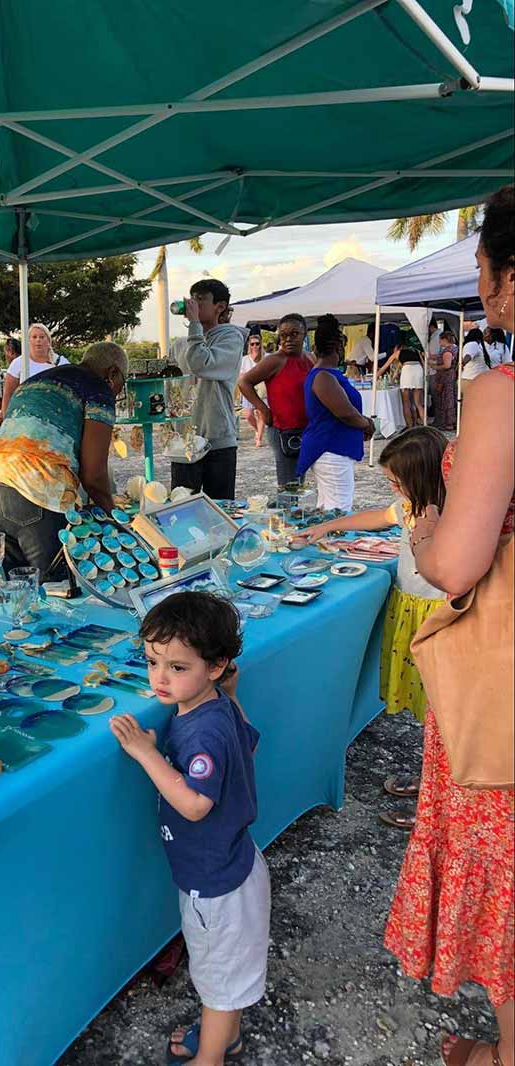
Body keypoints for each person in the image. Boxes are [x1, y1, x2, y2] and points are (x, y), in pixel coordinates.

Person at [385, 183, 514, 1066]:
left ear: (509, 277)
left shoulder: (502, 392)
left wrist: (427, 532)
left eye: (480, 265)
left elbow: (458, 564)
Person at [110, 592, 269, 1066]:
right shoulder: (216, 707)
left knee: (219, 976)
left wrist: (146, 753)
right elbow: (247, 745)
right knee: (228, 968)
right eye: (153, 661)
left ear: (216, 667)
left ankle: (212, 1058)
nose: (160, 678)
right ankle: (228, 1039)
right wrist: (234, 697)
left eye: (178, 668)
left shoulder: (203, 730)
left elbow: (196, 804)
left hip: (215, 881)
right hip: (233, 862)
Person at [297, 426, 448, 829]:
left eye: (395, 481)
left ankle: (437, 803)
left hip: (436, 617)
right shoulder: (412, 507)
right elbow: (378, 517)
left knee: (442, 713)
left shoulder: (445, 517)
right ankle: (431, 782)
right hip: (411, 610)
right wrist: (329, 527)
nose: (392, 488)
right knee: (428, 712)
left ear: (419, 476)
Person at [0, 341, 126, 579]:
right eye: (122, 386)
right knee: (58, 594)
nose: (118, 393)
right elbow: (94, 475)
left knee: (23, 599)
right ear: (113, 373)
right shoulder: (98, 389)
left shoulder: (36, 381)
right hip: (36, 494)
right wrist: (115, 520)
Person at [165, 279, 244, 500]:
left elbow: (202, 364)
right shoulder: (180, 344)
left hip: (218, 441)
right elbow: (171, 388)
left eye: (201, 299)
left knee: (219, 511)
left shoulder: (231, 338)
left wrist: (194, 326)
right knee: (180, 508)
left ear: (219, 307)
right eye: (193, 298)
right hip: (184, 443)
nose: (194, 304)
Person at [296, 315, 374, 510]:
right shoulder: (324, 376)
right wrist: (367, 424)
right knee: (338, 510)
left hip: (333, 448)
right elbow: (345, 412)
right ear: (339, 348)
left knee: (327, 508)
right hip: (331, 450)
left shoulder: (325, 374)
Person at [240, 312, 311, 488]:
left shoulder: (310, 359)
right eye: (283, 335)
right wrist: (263, 409)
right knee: (289, 488)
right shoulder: (275, 360)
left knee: (300, 484)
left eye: (294, 334)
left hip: (307, 429)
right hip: (283, 431)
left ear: (304, 335)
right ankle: (284, 514)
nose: (287, 339)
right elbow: (244, 382)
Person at [0, 323, 68, 430]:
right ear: (29, 341)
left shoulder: (61, 363)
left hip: (54, 421)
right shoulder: (18, 363)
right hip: (24, 421)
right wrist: (6, 420)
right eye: (34, 337)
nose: (38, 340)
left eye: (42, 337)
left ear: (48, 341)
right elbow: (8, 394)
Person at [379, 346, 427, 426]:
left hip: (407, 370)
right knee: (418, 403)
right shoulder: (416, 351)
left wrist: (375, 377)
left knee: (406, 403)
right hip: (418, 370)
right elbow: (424, 364)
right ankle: (426, 425)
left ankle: (410, 426)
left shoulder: (397, 353)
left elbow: (385, 366)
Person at [239, 330, 266, 447]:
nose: (255, 346)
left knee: (261, 414)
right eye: (252, 344)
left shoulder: (265, 358)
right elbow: (240, 375)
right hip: (248, 389)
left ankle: (259, 437)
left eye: (257, 343)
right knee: (248, 415)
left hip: (262, 389)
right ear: (249, 345)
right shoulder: (244, 359)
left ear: (261, 344)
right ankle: (257, 429)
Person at [432, 330, 458, 431]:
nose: (439, 341)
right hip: (451, 376)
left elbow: (447, 365)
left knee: (446, 399)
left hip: (445, 377)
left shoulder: (447, 350)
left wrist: (435, 366)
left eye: (440, 339)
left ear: (444, 339)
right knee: (450, 398)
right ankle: (451, 421)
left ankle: (447, 423)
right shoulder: (455, 348)